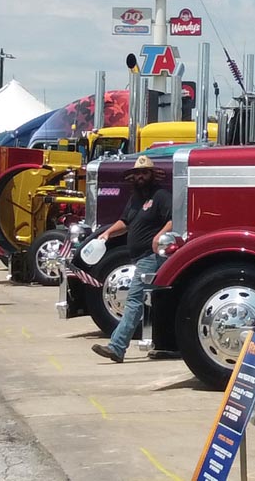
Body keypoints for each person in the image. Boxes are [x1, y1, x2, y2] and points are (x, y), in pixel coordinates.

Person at [91, 155, 172, 363]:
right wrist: (108, 233)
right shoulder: (135, 199)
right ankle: (167, 345)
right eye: (137, 173)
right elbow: (125, 222)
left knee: (134, 300)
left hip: (151, 257)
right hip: (138, 257)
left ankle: (117, 347)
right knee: (155, 302)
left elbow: (174, 219)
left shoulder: (161, 196)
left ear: (152, 175)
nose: (140, 176)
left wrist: (159, 236)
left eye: (144, 173)